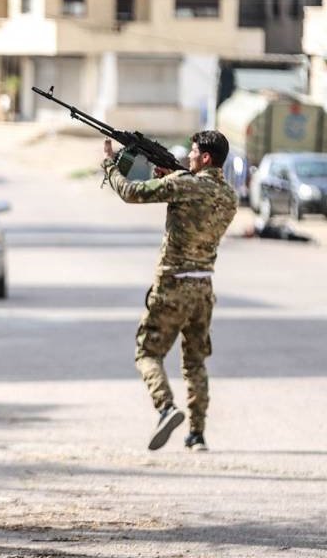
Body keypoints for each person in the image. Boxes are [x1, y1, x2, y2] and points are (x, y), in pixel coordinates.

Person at [101, 130, 238, 452]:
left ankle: (165, 407)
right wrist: (174, 176)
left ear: (205, 158)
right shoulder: (230, 196)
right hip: (203, 286)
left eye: (193, 152)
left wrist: (110, 164)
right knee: (195, 362)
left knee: (147, 352)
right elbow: (196, 200)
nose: (188, 156)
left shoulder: (184, 185)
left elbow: (131, 192)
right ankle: (197, 434)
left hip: (173, 284)